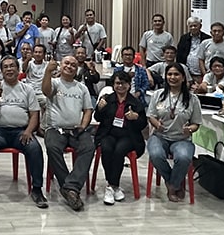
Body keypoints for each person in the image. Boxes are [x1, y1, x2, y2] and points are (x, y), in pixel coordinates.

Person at [0, 56, 47, 208]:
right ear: (1, 71)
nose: (9, 69)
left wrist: (29, 131)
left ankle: (37, 189)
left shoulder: (27, 89)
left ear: (18, 69)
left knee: (35, 148)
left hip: (21, 131)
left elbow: (35, 114)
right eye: (5, 67)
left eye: (12, 66)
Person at [41, 55, 94, 211]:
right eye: (66, 63)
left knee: (88, 147)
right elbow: (45, 91)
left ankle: (70, 187)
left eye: (73, 64)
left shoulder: (82, 88)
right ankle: (71, 188)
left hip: (76, 129)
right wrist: (47, 72)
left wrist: (83, 126)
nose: (70, 66)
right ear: (60, 65)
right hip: (55, 128)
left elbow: (88, 110)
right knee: (52, 147)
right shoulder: (55, 83)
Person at [146, 64, 202, 203]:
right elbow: (151, 115)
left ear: (183, 78)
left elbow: (196, 124)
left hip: (182, 139)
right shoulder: (158, 94)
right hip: (160, 137)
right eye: (169, 74)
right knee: (156, 155)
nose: (172, 77)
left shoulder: (192, 99)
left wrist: (189, 129)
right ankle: (174, 182)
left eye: (176, 74)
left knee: (183, 157)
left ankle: (172, 185)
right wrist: (156, 124)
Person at [94, 71, 147, 205]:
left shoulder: (135, 102)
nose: (120, 86)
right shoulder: (107, 99)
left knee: (119, 150)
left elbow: (143, 124)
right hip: (109, 133)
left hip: (129, 135)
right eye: (117, 83)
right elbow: (97, 118)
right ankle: (114, 186)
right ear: (113, 85)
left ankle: (111, 186)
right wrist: (100, 109)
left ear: (129, 85)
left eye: (123, 83)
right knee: (106, 147)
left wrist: (135, 118)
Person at [176, 17, 210, 81]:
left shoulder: (207, 38)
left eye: (195, 26)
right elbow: (179, 55)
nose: (193, 28)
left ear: (200, 26)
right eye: (191, 26)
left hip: (202, 73)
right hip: (187, 72)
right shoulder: (184, 38)